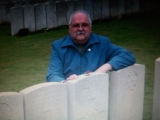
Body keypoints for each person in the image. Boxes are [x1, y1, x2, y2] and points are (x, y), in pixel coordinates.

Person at [46, 10, 136, 82]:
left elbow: (128, 56)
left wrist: (104, 68)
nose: (80, 29)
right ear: (69, 29)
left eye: (84, 25)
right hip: (68, 95)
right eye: (76, 25)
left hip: (95, 95)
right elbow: (53, 74)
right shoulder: (58, 46)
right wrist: (66, 82)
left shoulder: (103, 43)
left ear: (90, 27)